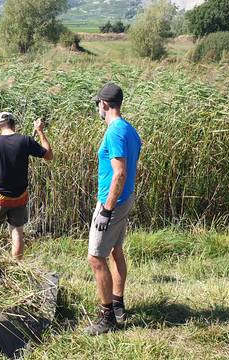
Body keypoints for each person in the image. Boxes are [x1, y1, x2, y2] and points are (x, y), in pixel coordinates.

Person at [84, 83, 141, 335]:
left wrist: (106, 210)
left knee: (96, 257)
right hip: (124, 199)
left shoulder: (115, 132)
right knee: (116, 250)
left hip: (113, 203)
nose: (98, 108)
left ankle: (107, 318)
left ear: (104, 104)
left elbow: (120, 173)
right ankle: (118, 303)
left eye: (98, 104)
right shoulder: (129, 129)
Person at [0, 112, 53, 260]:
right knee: (17, 231)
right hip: (19, 197)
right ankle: (17, 266)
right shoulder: (25, 141)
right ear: (14, 124)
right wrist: (40, 131)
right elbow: (48, 156)